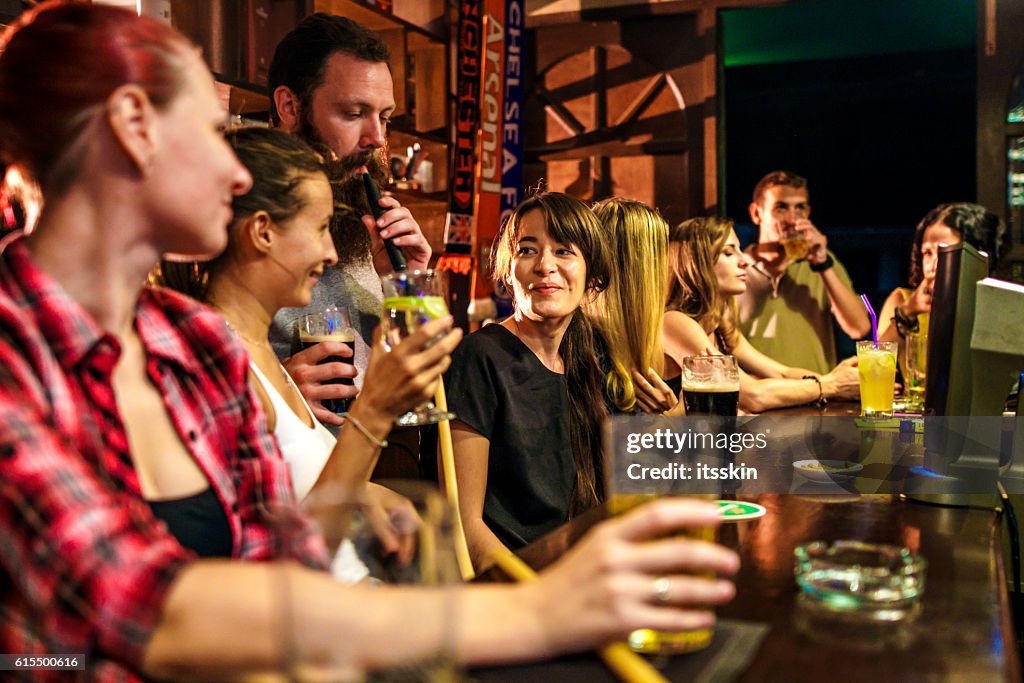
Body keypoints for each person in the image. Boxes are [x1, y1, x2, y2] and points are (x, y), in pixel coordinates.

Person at [0, 4, 738, 677]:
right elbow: (143, 609)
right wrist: (530, 608)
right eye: (209, 135)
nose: (236, 170)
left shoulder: (187, 336)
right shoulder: (17, 359)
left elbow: (286, 561)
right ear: (132, 126)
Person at [158, 127, 430, 582]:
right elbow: (280, 568)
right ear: (262, 232)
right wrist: (374, 409)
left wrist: (369, 494)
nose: (330, 252)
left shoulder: (260, 350)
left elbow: (296, 496)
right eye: (322, 228)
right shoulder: (219, 364)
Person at [266, 12, 432, 428]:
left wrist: (407, 282)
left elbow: (422, 384)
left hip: (364, 474)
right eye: (354, 113)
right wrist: (273, 393)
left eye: (385, 116)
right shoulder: (234, 223)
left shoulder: (362, 225)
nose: (377, 137)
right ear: (290, 106)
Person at [443, 193, 611, 568]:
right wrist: (537, 596)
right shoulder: (480, 356)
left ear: (593, 278)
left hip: (579, 571)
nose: (545, 266)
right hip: (513, 588)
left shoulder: (588, 356)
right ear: (508, 271)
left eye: (564, 251)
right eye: (528, 250)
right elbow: (464, 525)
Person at [666, 216, 860, 413]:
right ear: (697, 264)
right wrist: (832, 384)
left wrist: (844, 382)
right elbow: (754, 395)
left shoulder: (720, 322)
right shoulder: (676, 322)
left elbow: (781, 373)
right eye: (729, 253)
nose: (744, 262)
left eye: (740, 251)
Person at [738, 171, 870, 375]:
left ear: (808, 213)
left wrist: (822, 264)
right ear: (756, 213)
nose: (792, 219)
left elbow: (859, 328)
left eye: (799, 208)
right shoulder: (735, 268)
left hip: (815, 394)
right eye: (781, 208)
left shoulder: (823, 264)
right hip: (755, 398)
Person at [587, 197, 678, 414]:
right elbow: (612, 446)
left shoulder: (619, 339)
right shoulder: (589, 344)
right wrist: (679, 414)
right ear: (646, 266)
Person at [878, 202, 1009, 343]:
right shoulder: (902, 301)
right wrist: (907, 313)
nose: (933, 265)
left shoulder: (1001, 308)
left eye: (945, 253)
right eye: (928, 253)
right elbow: (878, 361)